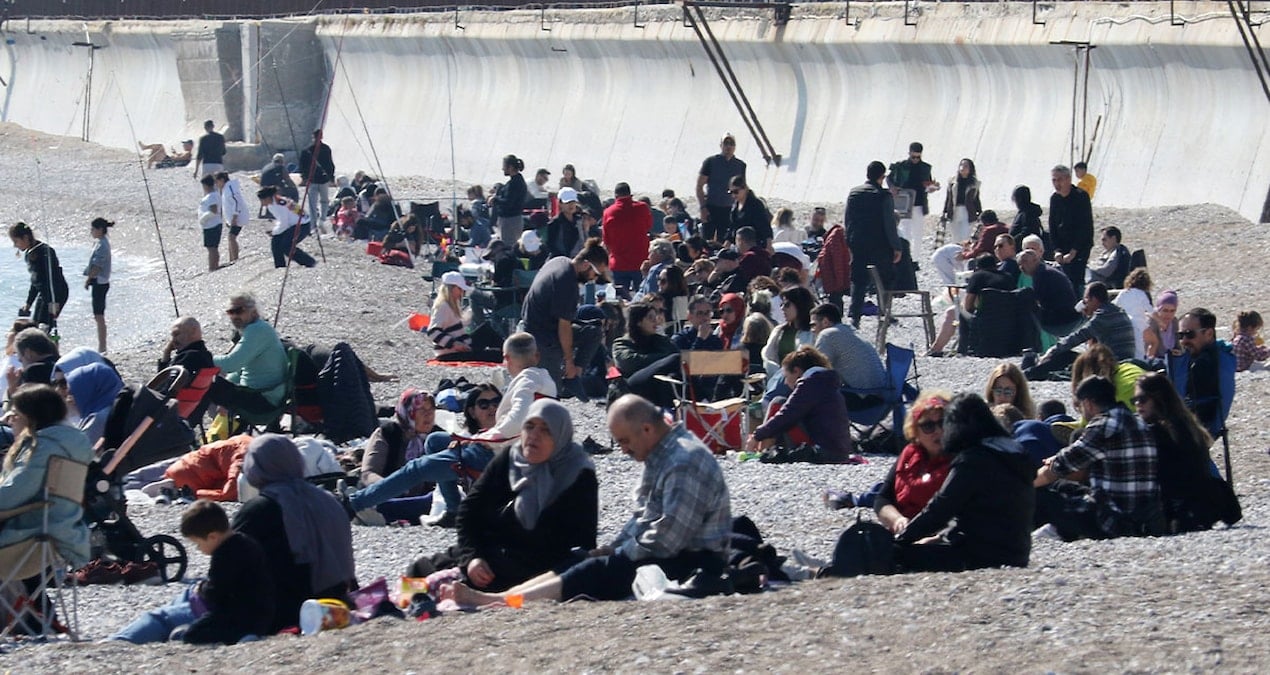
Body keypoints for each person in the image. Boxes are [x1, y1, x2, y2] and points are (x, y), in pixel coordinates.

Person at [441, 394, 731, 605]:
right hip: (668, 551)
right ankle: (503, 598)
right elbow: (643, 518)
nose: (624, 450)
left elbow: (667, 538)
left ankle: (502, 601)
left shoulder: (683, 462)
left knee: (593, 570)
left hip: (693, 561)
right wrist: (613, 547)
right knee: (582, 562)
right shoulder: (661, 456)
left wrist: (617, 553)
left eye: (625, 441)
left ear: (646, 429)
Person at [406, 400, 599, 592]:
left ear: (560, 436)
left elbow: (583, 543)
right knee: (418, 571)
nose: (534, 435)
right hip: (492, 551)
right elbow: (470, 511)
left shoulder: (578, 475)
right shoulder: (512, 459)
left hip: (537, 568)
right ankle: (412, 600)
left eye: (545, 430)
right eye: (529, 426)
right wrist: (473, 557)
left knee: (454, 585)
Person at [892, 393, 1034, 572]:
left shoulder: (973, 460)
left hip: (980, 556)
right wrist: (940, 537)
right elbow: (983, 512)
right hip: (1017, 554)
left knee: (895, 555)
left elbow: (940, 508)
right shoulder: (1012, 452)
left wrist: (900, 539)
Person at [232, 435, 355, 634]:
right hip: (337, 604)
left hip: (281, 613)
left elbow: (229, 565)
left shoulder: (259, 510)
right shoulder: (329, 500)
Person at [110, 499, 273, 645]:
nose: (198, 549)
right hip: (255, 611)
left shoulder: (226, 554)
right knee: (187, 594)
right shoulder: (245, 542)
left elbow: (216, 593)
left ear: (213, 537)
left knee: (161, 618)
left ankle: (119, 641)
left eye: (198, 543)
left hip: (233, 615)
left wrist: (201, 590)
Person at [1034, 375, 1163, 541]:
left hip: (1111, 520)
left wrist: (1024, 485)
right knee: (1065, 488)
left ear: (1088, 403)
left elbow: (1060, 466)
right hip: (1145, 518)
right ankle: (1059, 531)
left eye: (1080, 406)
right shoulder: (1141, 424)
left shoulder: (1103, 425)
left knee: (1041, 496)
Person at [1132, 373, 1240, 532]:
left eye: (1142, 399)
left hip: (1182, 508)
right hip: (1204, 504)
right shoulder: (1184, 423)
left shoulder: (1160, 431)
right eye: (1134, 400)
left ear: (1158, 398)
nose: (1138, 405)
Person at [520, 238, 611, 398]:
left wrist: (574, 366)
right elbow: (564, 327)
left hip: (542, 326)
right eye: (595, 274)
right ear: (585, 265)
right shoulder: (567, 282)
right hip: (541, 336)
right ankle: (566, 378)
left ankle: (574, 377)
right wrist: (569, 361)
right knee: (551, 393)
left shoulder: (560, 261)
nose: (594, 279)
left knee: (593, 331)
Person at [746, 346, 856, 462]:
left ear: (796, 371)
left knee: (778, 403)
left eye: (786, 377)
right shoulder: (825, 382)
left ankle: (762, 451)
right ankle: (764, 451)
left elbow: (787, 415)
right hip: (839, 452)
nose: (786, 382)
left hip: (822, 452)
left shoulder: (810, 384)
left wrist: (757, 436)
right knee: (782, 407)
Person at [874, 393, 952, 534]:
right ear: (915, 432)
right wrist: (897, 520)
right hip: (904, 530)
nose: (938, 431)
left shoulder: (962, 460)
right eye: (928, 426)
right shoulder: (909, 454)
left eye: (943, 423)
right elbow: (882, 498)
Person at [1025, 282, 1136, 380]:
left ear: (1094, 299)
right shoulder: (1117, 311)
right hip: (1125, 360)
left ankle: (1028, 374)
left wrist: (1052, 350)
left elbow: (1076, 337)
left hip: (1113, 364)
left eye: (1085, 300)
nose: (1084, 304)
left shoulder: (1102, 317)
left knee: (1065, 356)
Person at [206, 292, 289, 418]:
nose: (235, 316)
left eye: (239, 311)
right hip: (266, 395)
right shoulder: (258, 328)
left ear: (253, 311)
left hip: (263, 399)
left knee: (205, 385)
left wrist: (204, 359)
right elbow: (239, 370)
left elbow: (231, 364)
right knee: (213, 383)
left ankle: (185, 424)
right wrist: (227, 382)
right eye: (230, 312)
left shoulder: (256, 330)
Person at [926, 252, 1017, 356]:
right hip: (1007, 318)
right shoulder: (1008, 277)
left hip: (984, 318)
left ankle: (936, 349)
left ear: (977, 267)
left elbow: (968, 305)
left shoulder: (978, 276)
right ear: (996, 265)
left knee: (952, 312)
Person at [846, 161, 902, 328]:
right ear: (882, 177)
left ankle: (855, 316)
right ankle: (885, 312)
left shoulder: (854, 193)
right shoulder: (884, 196)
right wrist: (896, 246)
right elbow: (889, 223)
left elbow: (848, 220)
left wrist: (849, 242)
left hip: (858, 242)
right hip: (880, 244)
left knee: (858, 280)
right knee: (886, 278)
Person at [612, 303, 680, 409]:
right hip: (632, 385)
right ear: (638, 322)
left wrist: (662, 341)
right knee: (675, 359)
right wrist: (663, 359)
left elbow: (674, 353)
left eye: (655, 317)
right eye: (650, 318)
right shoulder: (622, 343)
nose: (655, 321)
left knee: (673, 377)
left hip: (654, 384)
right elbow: (631, 363)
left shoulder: (660, 340)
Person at [427, 271, 502, 362]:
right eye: (460, 289)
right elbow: (432, 332)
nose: (462, 292)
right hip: (450, 353)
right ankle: (510, 353)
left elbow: (454, 326)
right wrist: (454, 343)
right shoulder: (443, 306)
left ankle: (509, 351)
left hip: (461, 345)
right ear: (452, 288)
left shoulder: (452, 304)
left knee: (486, 330)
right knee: (495, 355)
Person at [809, 302, 885, 391]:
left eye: (813, 325)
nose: (812, 330)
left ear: (825, 321)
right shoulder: (849, 330)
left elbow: (816, 371)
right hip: (882, 391)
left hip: (863, 394)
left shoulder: (827, 334)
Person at [9, 222, 69, 328]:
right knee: (36, 325)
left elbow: (53, 278)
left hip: (56, 293)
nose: (15, 245)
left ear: (25, 237)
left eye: (16, 241)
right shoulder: (29, 253)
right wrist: (28, 303)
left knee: (44, 326)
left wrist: (53, 302)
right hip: (44, 293)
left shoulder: (45, 251)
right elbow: (35, 281)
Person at [1048, 164, 1094, 295]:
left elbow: (1085, 227)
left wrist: (1074, 251)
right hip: (1062, 246)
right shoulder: (1055, 199)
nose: (1057, 184)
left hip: (1080, 247)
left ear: (1068, 179)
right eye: (1054, 180)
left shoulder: (1081, 196)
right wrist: (1057, 250)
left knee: (1076, 281)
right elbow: (1052, 226)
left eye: (1060, 180)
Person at [1177, 307, 1223, 435]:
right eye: (1180, 335)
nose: (1184, 341)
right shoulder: (1219, 355)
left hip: (1192, 429)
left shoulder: (1202, 365)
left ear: (1209, 334)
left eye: (1189, 334)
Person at [1017, 248, 1081, 340]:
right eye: (1019, 264)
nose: (1022, 267)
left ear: (1036, 260)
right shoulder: (1045, 271)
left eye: (1024, 261)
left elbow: (1040, 302)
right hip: (1068, 316)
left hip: (1062, 321)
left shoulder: (1042, 274)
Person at [602, 182, 653, 294]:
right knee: (643, 297)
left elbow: (607, 240)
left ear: (615, 196)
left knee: (620, 298)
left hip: (618, 263)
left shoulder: (608, 212)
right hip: (641, 261)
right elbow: (648, 226)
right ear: (630, 194)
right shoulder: (642, 208)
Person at [888, 142, 939, 250]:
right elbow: (889, 178)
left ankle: (915, 257)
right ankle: (906, 255)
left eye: (918, 157)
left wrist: (932, 187)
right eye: (913, 157)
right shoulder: (901, 166)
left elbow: (928, 183)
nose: (915, 159)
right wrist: (892, 187)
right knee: (905, 231)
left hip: (919, 204)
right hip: (904, 204)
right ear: (909, 153)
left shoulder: (925, 168)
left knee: (918, 233)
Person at [696, 133, 746, 243]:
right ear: (721, 145)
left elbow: (743, 189)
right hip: (711, 207)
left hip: (730, 209)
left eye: (731, 143)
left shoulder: (740, 165)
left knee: (724, 241)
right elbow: (699, 186)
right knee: (706, 241)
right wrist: (703, 207)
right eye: (726, 143)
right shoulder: (710, 162)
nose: (728, 146)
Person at [61, 361, 123, 446]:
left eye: (73, 392)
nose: (69, 399)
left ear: (88, 390)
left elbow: (78, 450)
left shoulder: (98, 419)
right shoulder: (117, 408)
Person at [257, 185, 317, 268]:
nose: (262, 203)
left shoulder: (279, 205)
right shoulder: (274, 203)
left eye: (262, 200)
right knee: (275, 242)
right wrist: (276, 231)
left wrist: (274, 231)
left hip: (302, 225)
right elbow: (282, 221)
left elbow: (284, 223)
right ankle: (280, 266)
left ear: (268, 198)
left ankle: (309, 262)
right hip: (292, 224)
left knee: (287, 246)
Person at [762, 286, 815, 377]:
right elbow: (768, 357)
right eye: (781, 305)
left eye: (787, 305)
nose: (782, 308)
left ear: (800, 305)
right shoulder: (779, 331)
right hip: (778, 379)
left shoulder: (814, 333)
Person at [84, 217, 113, 353]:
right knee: (98, 315)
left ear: (100, 229)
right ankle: (102, 345)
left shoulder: (102, 245)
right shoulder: (101, 243)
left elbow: (97, 266)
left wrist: (88, 279)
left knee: (99, 315)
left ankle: (102, 346)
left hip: (100, 283)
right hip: (100, 282)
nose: (91, 232)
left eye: (93, 229)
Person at [1112, 267, 1154, 361]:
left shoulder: (1123, 293)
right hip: (1138, 325)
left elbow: (1114, 305)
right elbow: (1151, 311)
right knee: (1139, 350)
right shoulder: (1141, 294)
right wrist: (1161, 323)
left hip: (1125, 324)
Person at [5, 329, 58, 401]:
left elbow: (25, 405)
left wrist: (12, 387)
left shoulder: (33, 372)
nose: (22, 366)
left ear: (28, 353)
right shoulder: (60, 363)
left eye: (21, 360)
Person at [297, 129, 335, 229]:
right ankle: (320, 220)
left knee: (315, 202)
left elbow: (302, 166)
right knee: (321, 201)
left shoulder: (308, 150)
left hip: (314, 179)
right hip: (320, 179)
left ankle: (316, 222)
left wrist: (304, 177)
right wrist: (331, 177)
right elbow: (330, 164)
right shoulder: (324, 149)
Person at [940, 158, 982, 244]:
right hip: (954, 211)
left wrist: (980, 213)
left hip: (967, 212)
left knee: (965, 236)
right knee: (955, 237)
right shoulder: (952, 181)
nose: (963, 168)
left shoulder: (974, 183)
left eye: (966, 166)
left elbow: (976, 199)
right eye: (961, 165)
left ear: (970, 169)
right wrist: (944, 212)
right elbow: (948, 198)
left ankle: (964, 252)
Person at [489, 154, 528, 244]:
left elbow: (508, 202)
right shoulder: (516, 181)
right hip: (512, 219)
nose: (502, 169)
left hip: (510, 221)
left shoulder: (514, 184)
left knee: (508, 245)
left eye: (504, 166)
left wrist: (495, 199)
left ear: (510, 167)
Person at [215, 171, 251, 264]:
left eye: (217, 182)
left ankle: (235, 260)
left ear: (222, 180)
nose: (216, 184)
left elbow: (237, 202)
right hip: (233, 218)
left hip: (238, 217)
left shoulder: (230, 188)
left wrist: (234, 217)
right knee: (230, 237)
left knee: (231, 237)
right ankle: (231, 260)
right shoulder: (226, 189)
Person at [815, 218, 851, 309]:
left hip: (831, 276)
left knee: (834, 300)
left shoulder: (834, 236)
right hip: (833, 277)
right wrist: (840, 282)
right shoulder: (836, 236)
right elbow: (837, 261)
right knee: (835, 301)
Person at [728, 176, 772, 245]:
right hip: (738, 243)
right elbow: (732, 227)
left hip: (754, 243)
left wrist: (768, 244)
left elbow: (764, 226)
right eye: (731, 192)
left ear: (745, 189)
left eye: (736, 192)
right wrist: (727, 242)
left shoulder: (755, 204)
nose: (733, 195)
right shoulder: (735, 206)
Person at [546, 187, 587, 258]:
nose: (571, 205)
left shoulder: (580, 220)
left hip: (579, 259)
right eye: (567, 202)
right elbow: (551, 246)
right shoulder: (555, 223)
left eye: (573, 202)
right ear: (560, 203)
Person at [1144, 290, 1180, 361]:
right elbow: (1148, 350)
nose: (1168, 314)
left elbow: (1177, 345)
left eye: (1172, 311)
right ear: (1159, 309)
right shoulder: (1151, 323)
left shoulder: (1174, 322)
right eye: (1165, 310)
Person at [198, 175, 224, 271]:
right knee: (213, 248)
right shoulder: (216, 194)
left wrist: (203, 219)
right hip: (215, 224)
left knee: (211, 248)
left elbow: (214, 210)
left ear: (205, 185)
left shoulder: (211, 196)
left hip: (211, 225)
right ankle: (214, 266)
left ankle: (213, 267)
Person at [1009, 184, 1045, 250]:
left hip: (1025, 250)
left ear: (1019, 199)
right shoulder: (1025, 212)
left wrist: (1010, 243)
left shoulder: (1028, 213)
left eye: (1015, 198)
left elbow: (1027, 232)